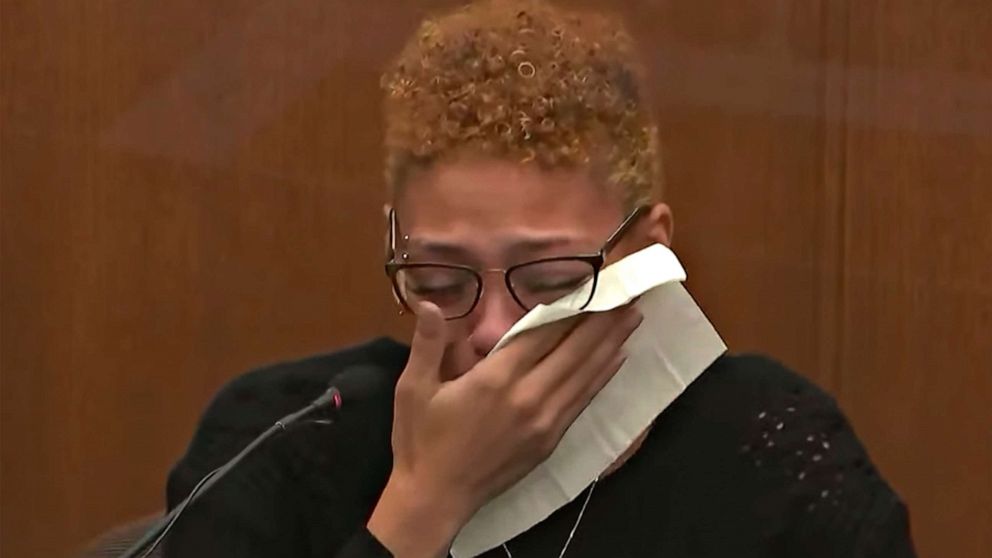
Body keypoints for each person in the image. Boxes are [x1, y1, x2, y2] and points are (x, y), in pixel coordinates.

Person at [163, 1, 916, 556]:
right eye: (443, 281)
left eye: (555, 281)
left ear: (646, 256)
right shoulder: (284, 439)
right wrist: (423, 507)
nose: (492, 330)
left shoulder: (773, 456)